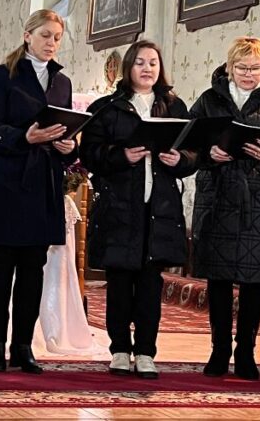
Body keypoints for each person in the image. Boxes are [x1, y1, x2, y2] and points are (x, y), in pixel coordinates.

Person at [189, 36, 260, 381]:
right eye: (241, 67)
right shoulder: (209, 100)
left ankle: (245, 353)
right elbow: (187, 144)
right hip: (218, 196)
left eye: (256, 68)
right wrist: (208, 154)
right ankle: (219, 350)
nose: (248, 74)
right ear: (229, 67)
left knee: (255, 281)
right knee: (219, 279)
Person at [79, 40, 196, 379]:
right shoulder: (107, 108)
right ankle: (119, 349)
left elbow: (193, 154)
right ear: (129, 67)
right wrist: (120, 156)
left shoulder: (174, 107)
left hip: (159, 208)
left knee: (149, 285)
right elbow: (89, 155)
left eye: (153, 63)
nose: (147, 69)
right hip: (119, 207)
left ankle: (145, 351)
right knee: (119, 282)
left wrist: (179, 160)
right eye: (141, 62)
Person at [0, 9, 77, 374]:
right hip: (5, 179)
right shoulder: (2, 75)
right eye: (45, 35)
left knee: (34, 268)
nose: (51, 43)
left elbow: (65, 129)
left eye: (57, 38)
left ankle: (22, 346)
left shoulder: (62, 82)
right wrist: (24, 137)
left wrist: (69, 146)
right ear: (27, 35)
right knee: (1, 265)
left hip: (43, 182)